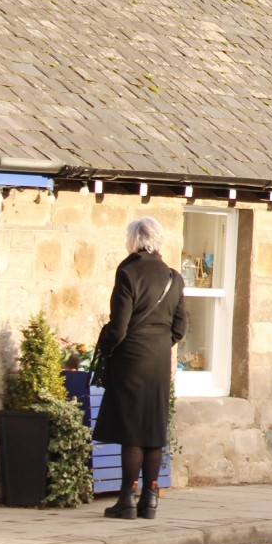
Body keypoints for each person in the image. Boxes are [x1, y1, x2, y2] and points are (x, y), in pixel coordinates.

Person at [95, 217, 189, 519]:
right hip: (159, 361)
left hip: (131, 359)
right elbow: (180, 327)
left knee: (132, 432)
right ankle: (149, 499)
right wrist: (160, 344)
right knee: (153, 429)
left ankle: (126, 499)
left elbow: (119, 326)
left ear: (135, 240)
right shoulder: (174, 277)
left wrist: (106, 344)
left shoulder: (128, 272)